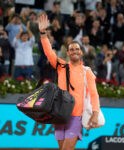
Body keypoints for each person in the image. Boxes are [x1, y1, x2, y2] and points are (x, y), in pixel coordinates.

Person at [38, 14, 100, 150]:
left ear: (81, 53)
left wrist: (95, 113)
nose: (74, 51)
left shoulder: (87, 71)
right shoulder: (61, 66)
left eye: (77, 49)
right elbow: (49, 53)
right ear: (68, 53)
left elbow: (94, 94)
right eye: (71, 49)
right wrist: (43, 34)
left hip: (76, 116)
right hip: (59, 115)